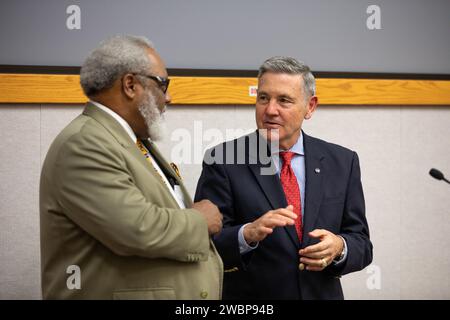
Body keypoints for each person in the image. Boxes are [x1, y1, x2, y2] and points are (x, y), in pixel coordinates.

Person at [40, 35, 223, 299]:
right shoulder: (83, 143)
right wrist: (200, 220)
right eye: (163, 84)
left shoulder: (129, 138)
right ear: (130, 85)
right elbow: (137, 229)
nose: (168, 97)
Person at [195, 56, 372, 299]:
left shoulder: (342, 161)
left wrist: (340, 247)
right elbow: (202, 244)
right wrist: (247, 234)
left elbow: (361, 242)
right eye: (263, 98)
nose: (270, 110)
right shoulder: (224, 159)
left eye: (284, 100)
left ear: (310, 107)